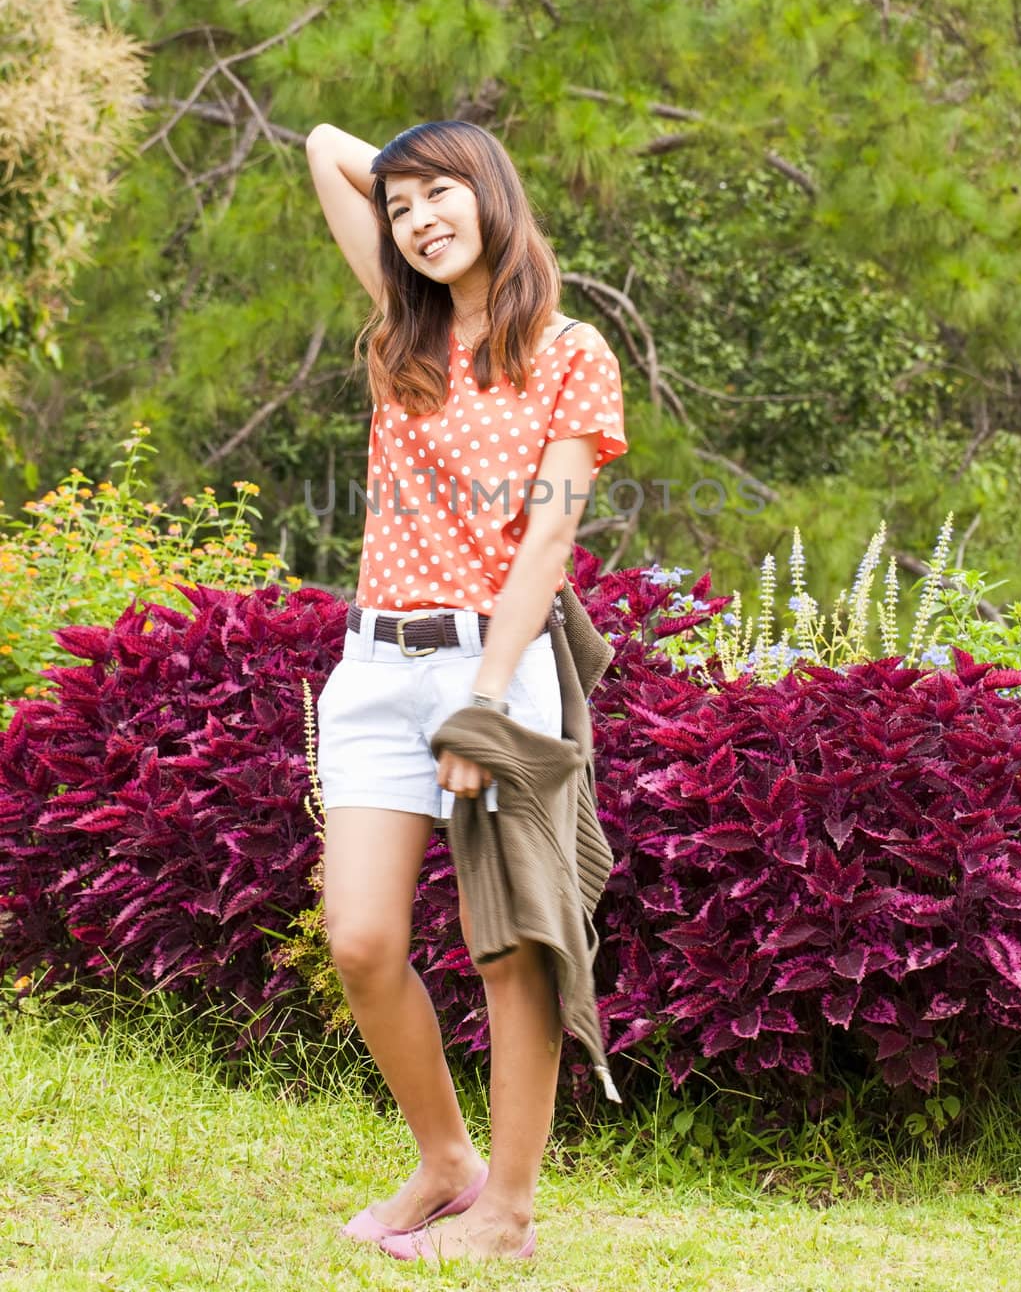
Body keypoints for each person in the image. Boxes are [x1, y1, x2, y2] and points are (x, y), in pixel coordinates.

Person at [304, 118, 627, 1264]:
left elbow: (547, 545)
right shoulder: (411, 327)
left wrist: (487, 702)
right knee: (361, 939)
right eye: (399, 207)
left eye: (443, 193)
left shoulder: (572, 349)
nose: (416, 219)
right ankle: (447, 1161)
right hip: (373, 669)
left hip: (491, 662)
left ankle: (510, 1212)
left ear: (495, 190)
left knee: (510, 945)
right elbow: (319, 143)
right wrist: (405, 178)